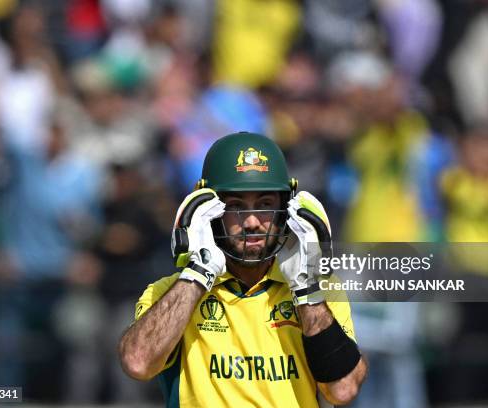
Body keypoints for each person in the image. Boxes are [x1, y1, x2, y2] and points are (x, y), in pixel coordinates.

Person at [119, 131, 367, 407]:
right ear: (206, 211)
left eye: (265, 205)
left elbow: (343, 390)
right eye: (235, 206)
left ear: (287, 209)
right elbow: (138, 363)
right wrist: (197, 274)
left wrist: (306, 287)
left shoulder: (323, 292)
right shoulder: (168, 292)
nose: (251, 222)